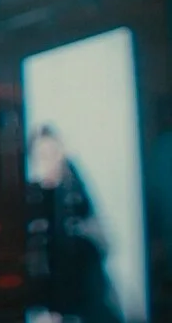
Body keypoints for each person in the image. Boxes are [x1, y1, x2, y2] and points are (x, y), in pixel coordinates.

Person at [26, 125, 122, 323]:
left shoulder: (79, 197)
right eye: (41, 156)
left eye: (53, 153)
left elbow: (104, 242)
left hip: (86, 305)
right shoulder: (30, 203)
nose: (48, 162)